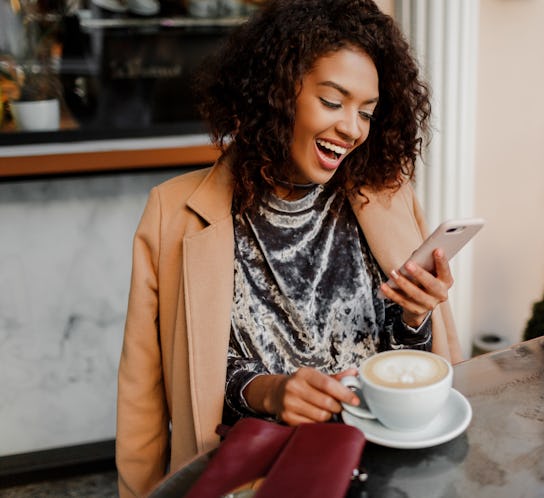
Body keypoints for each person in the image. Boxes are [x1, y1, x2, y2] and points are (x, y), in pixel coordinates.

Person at [115, 0, 461, 495]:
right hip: (258, 477)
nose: (352, 128)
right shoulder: (173, 213)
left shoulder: (388, 197)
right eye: (332, 101)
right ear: (276, 94)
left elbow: (405, 362)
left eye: (366, 112)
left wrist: (414, 317)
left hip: (386, 470)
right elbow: (143, 396)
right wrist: (273, 392)